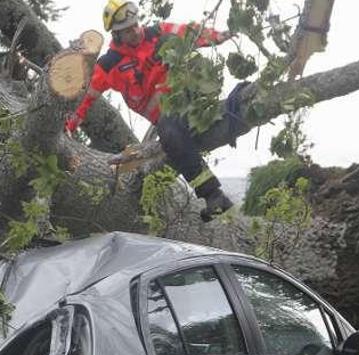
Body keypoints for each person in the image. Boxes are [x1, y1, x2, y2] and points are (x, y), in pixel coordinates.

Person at [66, 0, 235, 222]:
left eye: (135, 25)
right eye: (127, 31)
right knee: (172, 137)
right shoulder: (110, 64)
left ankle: (238, 107)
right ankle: (214, 196)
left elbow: (190, 32)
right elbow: (85, 98)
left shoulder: (158, 33)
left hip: (189, 97)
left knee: (175, 126)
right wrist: (68, 127)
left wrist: (219, 36)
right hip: (168, 119)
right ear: (116, 35)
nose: (135, 32)